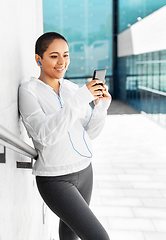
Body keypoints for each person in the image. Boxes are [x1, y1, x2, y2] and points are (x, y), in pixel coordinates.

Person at [18, 32, 111, 240]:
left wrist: (101, 108)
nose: (62, 62)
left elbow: (90, 133)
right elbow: (44, 136)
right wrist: (80, 99)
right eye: (54, 56)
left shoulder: (70, 88)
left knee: (70, 234)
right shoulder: (29, 91)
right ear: (38, 59)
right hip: (55, 179)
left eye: (66, 55)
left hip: (85, 170)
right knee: (99, 237)